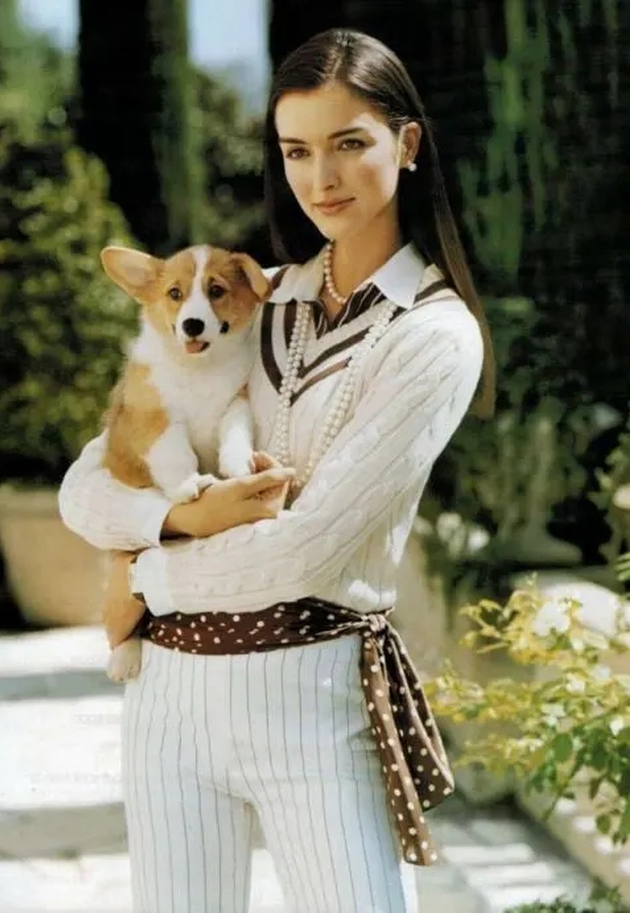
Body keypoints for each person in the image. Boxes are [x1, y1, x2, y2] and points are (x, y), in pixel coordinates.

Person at [59, 27, 495, 913]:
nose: (320, 177)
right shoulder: (253, 297)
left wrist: (141, 575)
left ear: (408, 144)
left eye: (349, 143)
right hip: (168, 698)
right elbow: (85, 486)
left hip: (313, 695)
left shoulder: (434, 335)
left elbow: (304, 552)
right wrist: (177, 520)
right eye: (296, 150)